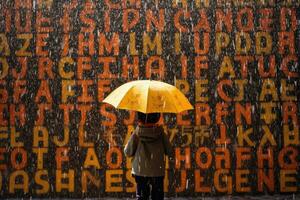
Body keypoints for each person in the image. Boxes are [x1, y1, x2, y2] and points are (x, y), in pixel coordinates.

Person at [124, 112, 172, 200]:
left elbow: (127, 152)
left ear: (139, 119)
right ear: (157, 118)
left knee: (142, 196)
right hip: (157, 170)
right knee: (157, 197)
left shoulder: (137, 134)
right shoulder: (161, 133)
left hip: (140, 171)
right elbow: (169, 151)